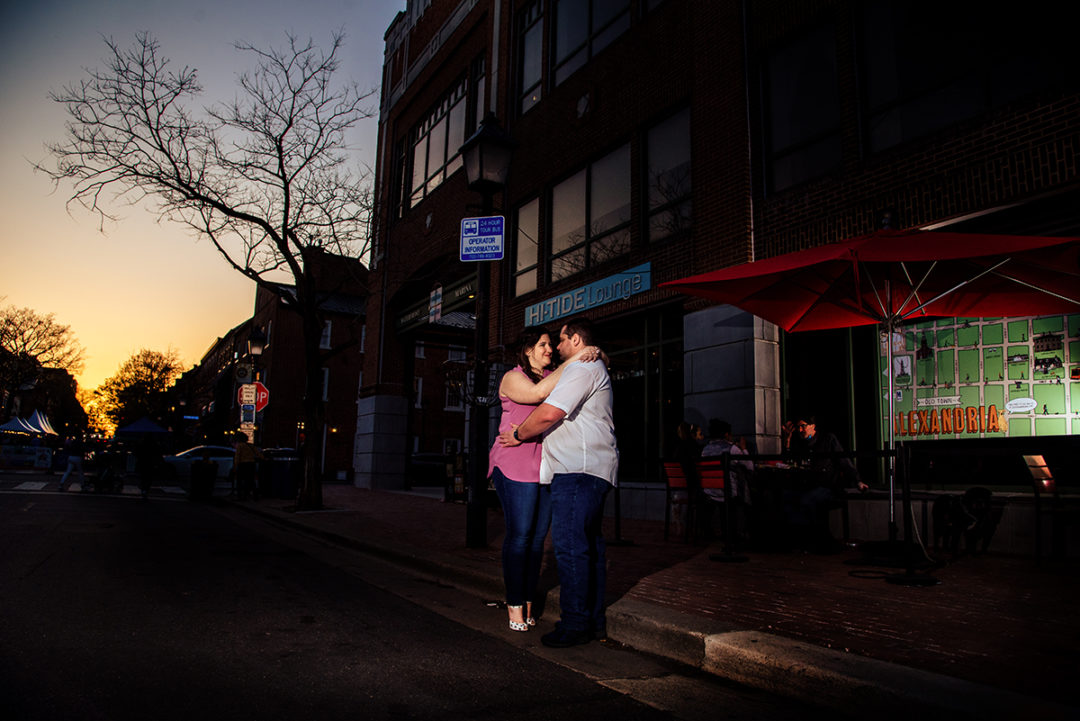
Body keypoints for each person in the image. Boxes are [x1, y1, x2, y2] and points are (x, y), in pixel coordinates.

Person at [497, 317, 618, 648]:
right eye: (546, 344)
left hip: (574, 469)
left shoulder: (579, 369)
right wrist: (588, 355)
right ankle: (583, 620)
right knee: (578, 546)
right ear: (527, 350)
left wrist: (519, 433)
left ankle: (576, 623)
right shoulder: (521, 376)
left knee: (567, 546)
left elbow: (550, 411)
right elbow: (538, 395)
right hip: (554, 467)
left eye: (560, 341)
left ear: (575, 340)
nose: (555, 348)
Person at [781, 414, 867, 552]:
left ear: (812, 426)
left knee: (807, 501)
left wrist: (857, 481)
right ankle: (800, 540)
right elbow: (788, 461)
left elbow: (843, 461)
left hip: (828, 486)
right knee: (788, 498)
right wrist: (788, 440)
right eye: (798, 427)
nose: (801, 430)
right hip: (806, 485)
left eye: (803, 426)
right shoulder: (800, 443)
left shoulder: (827, 440)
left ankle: (816, 540)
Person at [701, 419, 754, 542]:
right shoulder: (732, 449)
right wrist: (744, 449)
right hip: (727, 492)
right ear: (726, 434)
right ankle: (741, 533)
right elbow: (750, 467)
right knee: (746, 492)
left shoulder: (705, 450)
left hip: (710, 492)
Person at [233, 431, 264, 501]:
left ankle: (241, 496)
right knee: (250, 480)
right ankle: (254, 494)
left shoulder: (240, 446)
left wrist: (235, 466)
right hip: (251, 464)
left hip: (243, 465)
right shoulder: (251, 446)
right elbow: (259, 454)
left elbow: (237, 457)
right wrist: (263, 458)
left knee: (240, 480)